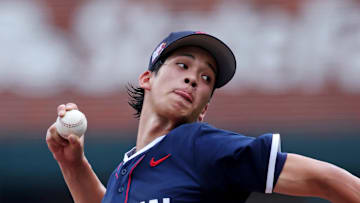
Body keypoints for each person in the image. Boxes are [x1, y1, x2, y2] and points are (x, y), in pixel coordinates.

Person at [46, 31, 360, 203]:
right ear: (147, 79)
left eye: (206, 78)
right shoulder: (125, 170)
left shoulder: (198, 145)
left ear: (204, 109)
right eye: (183, 65)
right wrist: (72, 165)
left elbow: (328, 179)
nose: (194, 79)